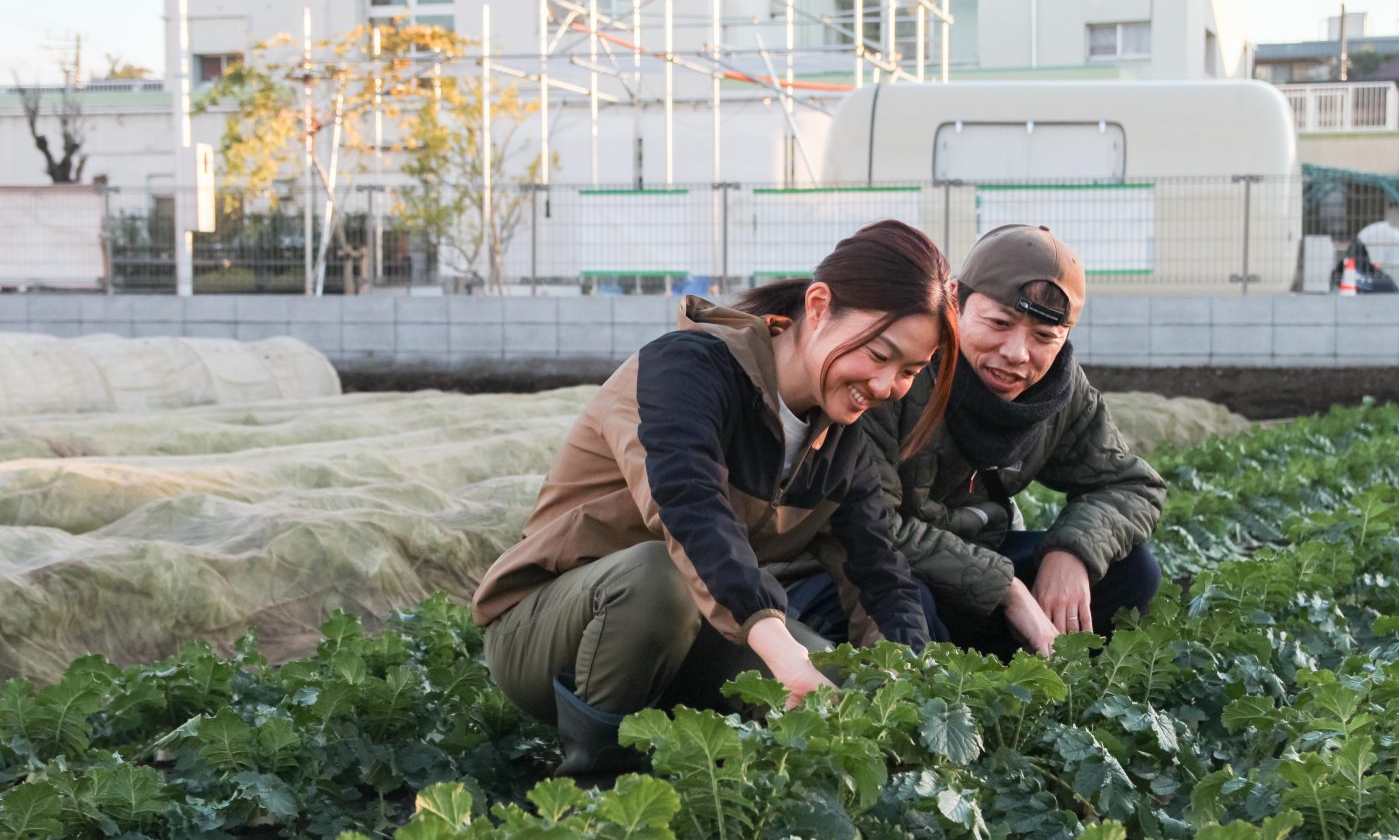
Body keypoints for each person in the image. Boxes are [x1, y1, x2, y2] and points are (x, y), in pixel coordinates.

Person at [472, 219, 959, 778]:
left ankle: (723, 784)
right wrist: (780, 650)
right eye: (878, 355)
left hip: (693, 632)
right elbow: (689, 509)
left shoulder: (841, 444)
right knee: (658, 577)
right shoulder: (686, 370)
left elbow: (879, 574)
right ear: (819, 306)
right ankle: (599, 786)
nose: (885, 386)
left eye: (909, 372)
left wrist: (904, 687)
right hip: (548, 630)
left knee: (839, 688)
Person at [787, 223, 1166, 659]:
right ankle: (960, 671)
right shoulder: (898, 372)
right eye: (999, 323)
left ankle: (1027, 675)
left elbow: (1133, 485)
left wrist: (1073, 550)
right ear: (955, 301)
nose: (1017, 353)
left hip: (979, 560)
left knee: (1133, 570)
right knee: (901, 601)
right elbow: (871, 525)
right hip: (874, 560)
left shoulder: (1062, 390)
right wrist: (1006, 588)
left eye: (1044, 337)